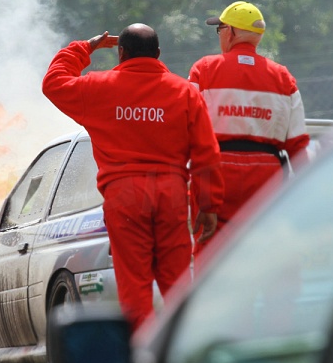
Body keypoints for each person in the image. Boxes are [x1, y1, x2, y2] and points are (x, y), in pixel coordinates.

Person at [42, 24, 225, 332]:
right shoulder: (185, 92)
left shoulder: (97, 88)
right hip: (171, 194)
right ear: (158, 54)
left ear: (121, 53)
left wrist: (84, 47)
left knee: (134, 283)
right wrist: (208, 204)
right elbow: (207, 153)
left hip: (123, 197)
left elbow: (53, 83)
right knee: (178, 280)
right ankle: (182, 348)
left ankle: (142, 353)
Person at [189, 1, 310, 261]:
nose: (220, 34)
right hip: (266, 176)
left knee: (209, 256)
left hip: (215, 171)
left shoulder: (204, 70)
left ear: (230, 32)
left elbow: (187, 130)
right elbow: (298, 144)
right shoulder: (283, 78)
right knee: (266, 259)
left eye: (220, 28)